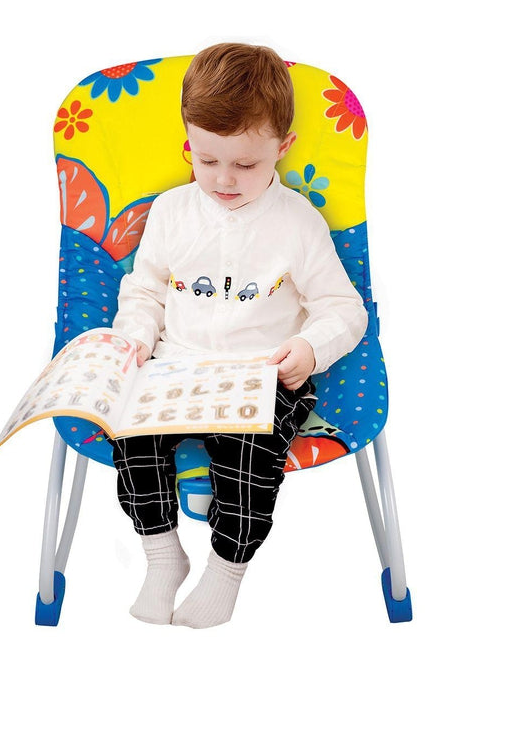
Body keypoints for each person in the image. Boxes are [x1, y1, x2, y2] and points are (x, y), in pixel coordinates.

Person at [111, 43, 368, 628]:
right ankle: (162, 556)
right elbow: (145, 291)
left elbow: (343, 309)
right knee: (131, 436)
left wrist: (310, 349)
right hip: (176, 365)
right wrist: (136, 337)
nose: (224, 179)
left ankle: (226, 570)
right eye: (207, 160)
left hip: (262, 373)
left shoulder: (297, 222)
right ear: (188, 142)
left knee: (250, 457)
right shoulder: (171, 212)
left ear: (283, 147)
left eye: (246, 165)